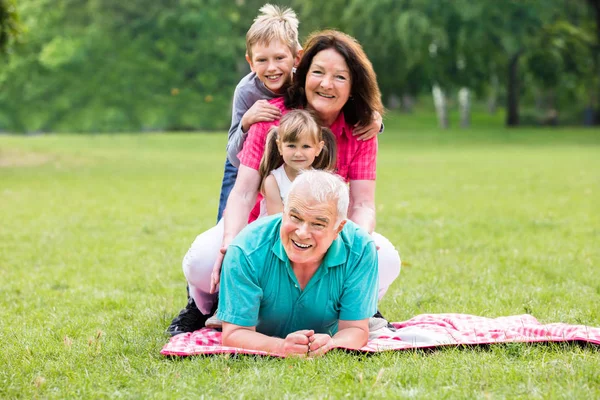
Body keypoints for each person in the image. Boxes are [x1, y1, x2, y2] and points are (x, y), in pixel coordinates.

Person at [168, 30, 399, 335]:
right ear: (303, 75)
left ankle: (351, 309)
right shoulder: (269, 118)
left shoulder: (362, 130)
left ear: (354, 85)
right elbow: (244, 191)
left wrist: (356, 245)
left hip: (322, 233)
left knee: (385, 256)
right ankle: (208, 308)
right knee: (203, 260)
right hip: (264, 230)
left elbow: (363, 203)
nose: (326, 83)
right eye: (318, 72)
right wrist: (230, 243)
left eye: (340, 77)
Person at [218, 170, 378, 357]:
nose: (302, 232)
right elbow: (234, 333)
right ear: (284, 211)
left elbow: (355, 329)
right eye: (295, 217)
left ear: (338, 228)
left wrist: (333, 343)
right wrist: (280, 347)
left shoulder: (361, 250)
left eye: (318, 224)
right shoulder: (245, 249)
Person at [204, 109, 337, 328]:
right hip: (274, 238)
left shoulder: (322, 181)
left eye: (306, 146)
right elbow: (279, 221)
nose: (298, 153)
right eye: (292, 146)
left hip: (307, 236)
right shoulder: (273, 181)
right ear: (279, 145)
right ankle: (229, 309)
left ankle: (343, 310)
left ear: (318, 148)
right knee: (242, 258)